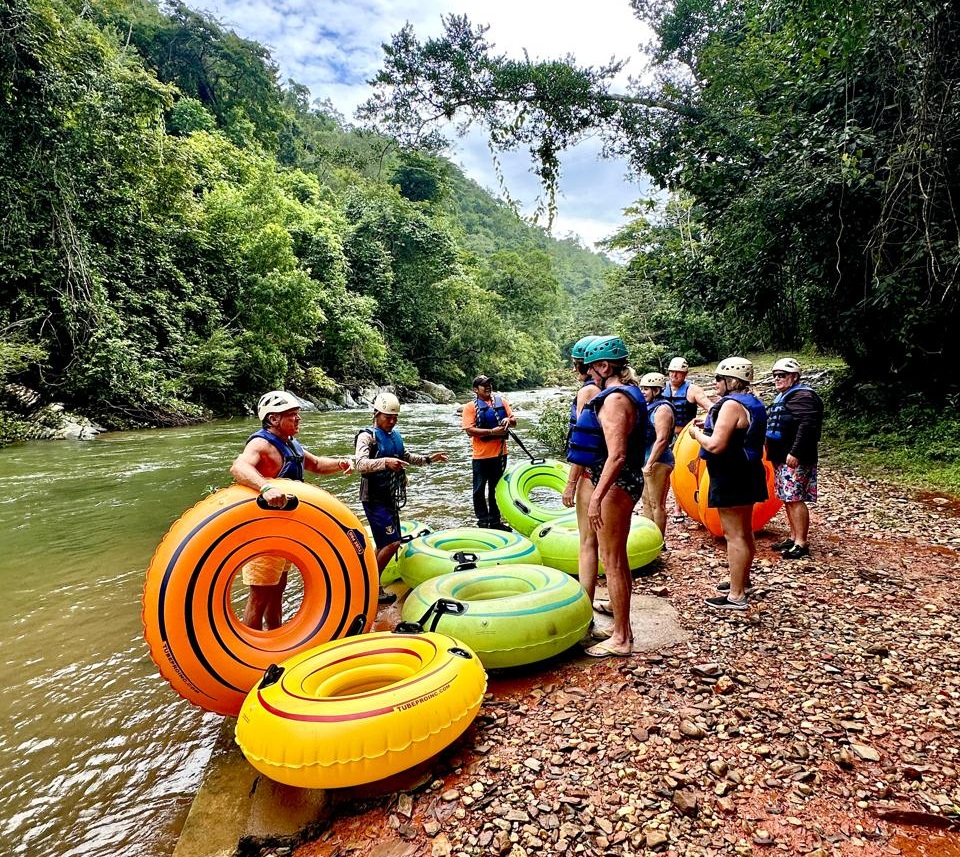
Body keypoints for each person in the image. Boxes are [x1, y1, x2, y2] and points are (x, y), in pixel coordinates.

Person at [230, 390, 353, 630]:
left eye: (297, 415)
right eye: (292, 415)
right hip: (263, 533)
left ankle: (275, 637)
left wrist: (341, 462)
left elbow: (316, 464)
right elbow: (239, 467)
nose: (299, 419)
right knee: (260, 597)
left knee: (278, 589)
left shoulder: (291, 444)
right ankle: (250, 653)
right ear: (273, 419)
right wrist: (265, 487)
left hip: (285, 532)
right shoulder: (261, 443)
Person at [566, 335, 646, 657]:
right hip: (618, 484)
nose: (588, 375)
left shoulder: (613, 401)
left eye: (591, 368)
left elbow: (616, 456)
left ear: (603, 366)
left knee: (611, 562)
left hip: (614, 485)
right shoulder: (624, 393)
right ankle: (621, 630)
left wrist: (596, 497)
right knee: (618, 560)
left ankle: (621, 638)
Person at [687, 358, 768, 611]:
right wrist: (709, 426)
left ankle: (736, 595)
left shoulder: (731, 405)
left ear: (730, 382)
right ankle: (743, 582)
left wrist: (696, 434)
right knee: (744, 531)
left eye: (718, 379)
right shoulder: (753, 402)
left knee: (734, 535)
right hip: (748, 472)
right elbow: (736, 431)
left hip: (731, 475)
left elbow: (716, 445)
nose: (715, 384)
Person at [355, 392, 448, 602]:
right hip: (373, 497)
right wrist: (385, 462)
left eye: (395, 417)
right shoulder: (367, 436)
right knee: (392, 542)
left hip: (390, 496)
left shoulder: (395, 435)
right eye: (388, 417)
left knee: (383, 542)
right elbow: (360, 464)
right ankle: (370, 586)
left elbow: (404, 457)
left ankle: (371, 584)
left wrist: (428, 459)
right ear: (377, 414)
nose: (392, 421)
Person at [561, 335, 604, 638]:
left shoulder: (588, 390)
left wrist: (570, 482)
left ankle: (586, 613)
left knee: (588, 543)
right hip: (612, 476)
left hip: (591, 475)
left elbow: (582, 442)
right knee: (609, 547)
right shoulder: (612, 389)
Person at [765, 357, 824, 559]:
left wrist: (796, 452)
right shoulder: (786, 396)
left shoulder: (802, 396)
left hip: (794, 457)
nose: (777, 379)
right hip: (782, 456)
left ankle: (801, 542)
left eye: (782, 375)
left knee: (795, 498)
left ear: (794, 377)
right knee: (787, 497)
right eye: (775, 376)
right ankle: (792, 537)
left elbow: (807, 425)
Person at [461, 375, 516, 529]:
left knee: (496, 489)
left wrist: (508, 421)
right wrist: (492, 432)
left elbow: (514, 421)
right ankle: (483, 521)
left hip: (500, 454)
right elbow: (469, 431)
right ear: (475, 389)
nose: (487, 387)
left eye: (489, 384)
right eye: (483, 385)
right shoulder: (470, 407)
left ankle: (495, 521)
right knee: (479, 490)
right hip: (481, 456)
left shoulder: (501, 402)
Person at [663, 357, 714, 520]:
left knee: (682, 470)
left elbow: (710, 406)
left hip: (684, 436)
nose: (674, 375)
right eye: (672, 372)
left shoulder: (693, 390)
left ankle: (681, 508)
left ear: (685, 374)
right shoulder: (661, 388)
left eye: (678, 372)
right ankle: (663, 507)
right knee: (663, 471)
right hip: (665, 435)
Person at [638, 372, 676, 536]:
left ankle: (659, 540)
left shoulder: (663, 409)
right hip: (647, 460)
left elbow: (662, 440)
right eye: (642, 389)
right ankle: (649, 538)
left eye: (646, 389)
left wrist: (650, 463)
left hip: (659, 460)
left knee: (656, 503)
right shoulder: (649, 406)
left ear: (657, 390)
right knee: (646, 501)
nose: (643, 392)